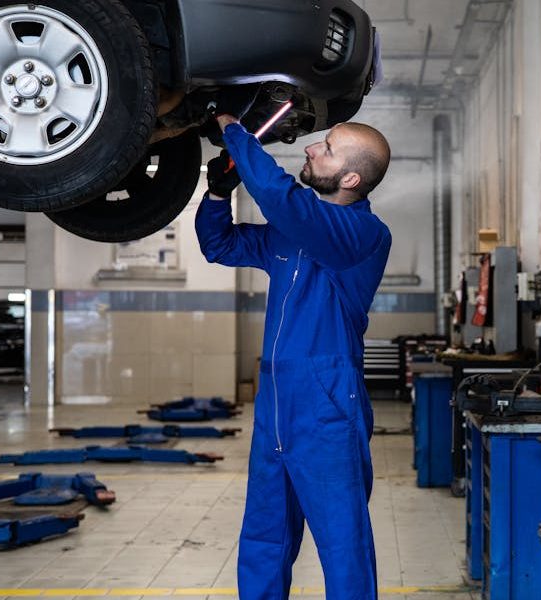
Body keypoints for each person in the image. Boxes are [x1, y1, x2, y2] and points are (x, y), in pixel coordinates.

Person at [195, 96, 392, 600]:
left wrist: (234, 129)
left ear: (351, 179)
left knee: (342, 543)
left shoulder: (362, 234)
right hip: (277, 406)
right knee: (264, 535)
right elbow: (220, 246)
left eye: (325, 148)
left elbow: (284, 200)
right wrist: (217, 195)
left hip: (327, 407)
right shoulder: (294, 234)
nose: (311, 147)